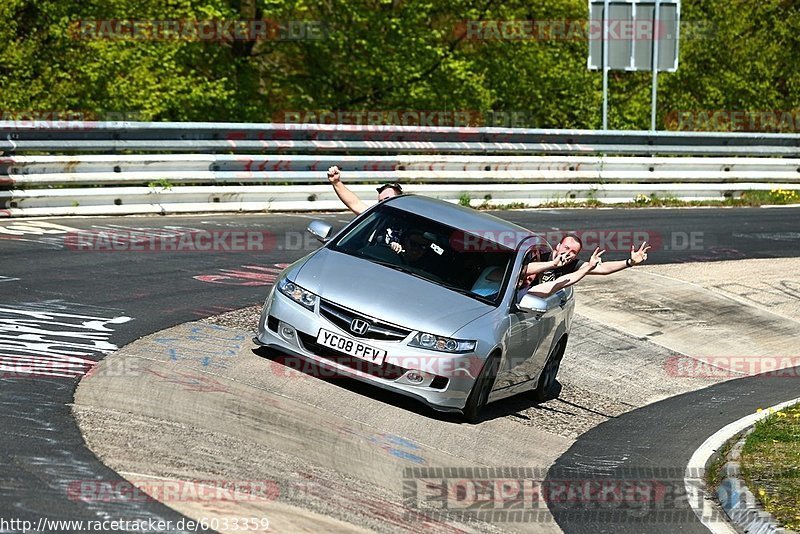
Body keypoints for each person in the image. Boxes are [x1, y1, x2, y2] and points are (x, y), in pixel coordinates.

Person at [525, 234, 650, 287]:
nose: (568, 253)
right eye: (566, 248)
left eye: (573, 252)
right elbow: (521, 270)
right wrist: (551, 264)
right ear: (558, 246)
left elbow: (603, 268)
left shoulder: (572, 264)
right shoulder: (541, 255)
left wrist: (629, 262)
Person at [326, 165, 403, 215]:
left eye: (387, 199)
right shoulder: (378, 217)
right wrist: (336, 182)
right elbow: (355, 204)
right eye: (381, 202)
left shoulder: (411, 219)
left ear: (400, 200)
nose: (384, 203)